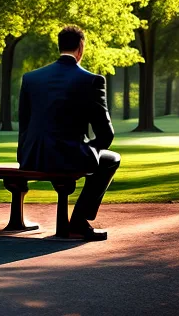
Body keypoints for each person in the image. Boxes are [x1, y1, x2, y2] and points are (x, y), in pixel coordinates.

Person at [17, 24, 120, 240]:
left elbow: (24, 125)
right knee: (111, 159)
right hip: (68, 157)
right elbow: (106, 135)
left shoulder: (31, 78)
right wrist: (88, 149)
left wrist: (24, 156)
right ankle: (79, 221)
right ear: (81, 48)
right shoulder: (91, 80)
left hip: (31, 157)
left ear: (59, 46)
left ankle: (18, 219)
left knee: (88, 156)